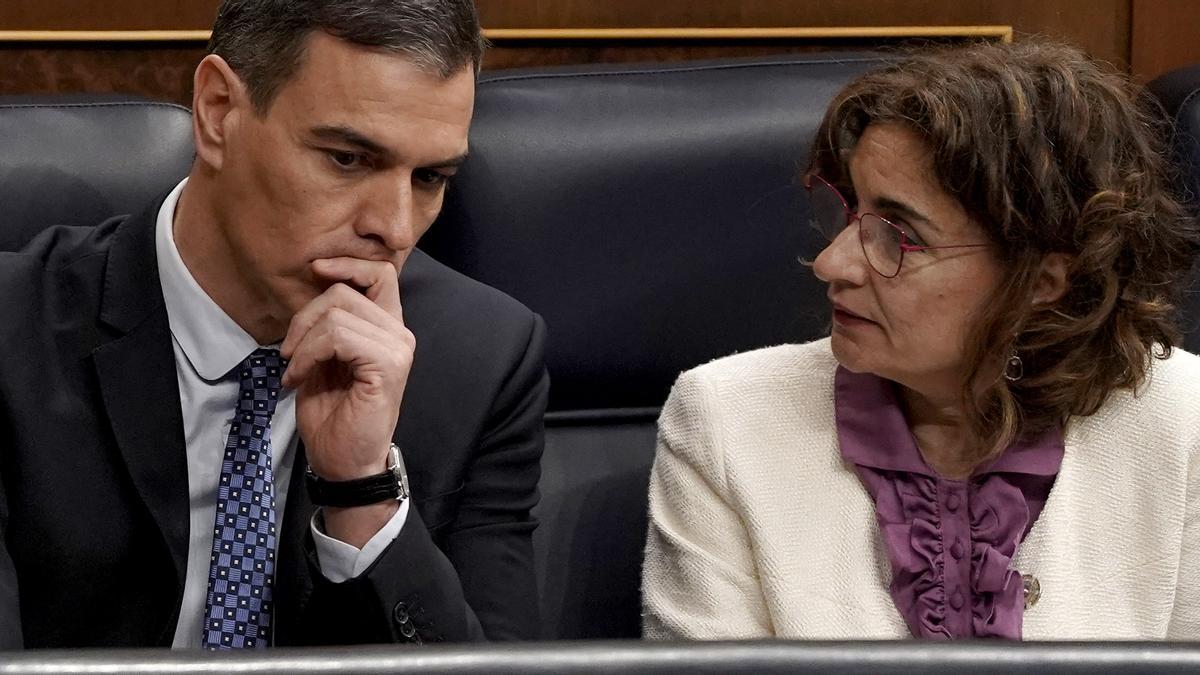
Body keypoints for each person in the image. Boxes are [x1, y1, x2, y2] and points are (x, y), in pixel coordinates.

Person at [0, 0, 548, 649]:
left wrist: (363, 487)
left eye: (429, 177)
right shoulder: (14, 328)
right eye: (347, 158)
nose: (395, 228)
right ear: (218, 112)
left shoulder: (482, 356)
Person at [641, 40, 1200, 640]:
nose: (832, 263)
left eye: (898, 235)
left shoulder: (1185, 425)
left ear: (1041, 279)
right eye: (849, 211)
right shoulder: (725, 421)